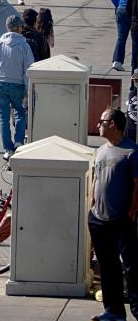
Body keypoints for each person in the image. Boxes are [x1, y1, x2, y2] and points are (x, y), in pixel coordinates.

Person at [88, 108, 138, 321]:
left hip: (122, 218)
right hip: (99, 219)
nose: (98, 124)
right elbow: (96, 179)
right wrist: (91, 205)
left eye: (102, 121)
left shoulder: (132, 152)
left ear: (114, 124)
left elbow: (137, 185)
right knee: (108, 266)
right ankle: (114, 311)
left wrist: (131, 212)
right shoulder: (100, 150)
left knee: (132, 266)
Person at [0, 15, 35, 160]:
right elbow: (28, 69)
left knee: (3, 117)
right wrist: (28, 88)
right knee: (20, 112)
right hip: (18, 84)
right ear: (18, 28)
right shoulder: (24, 46)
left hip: (0, 84)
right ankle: (18, 142)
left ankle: (7, 149)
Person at [112, 0, 134, 72]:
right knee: (135, 39)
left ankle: (117, 61)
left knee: (121, 37)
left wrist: (119, 6)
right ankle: (135, 64)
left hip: (121, 11)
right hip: (133, 12)